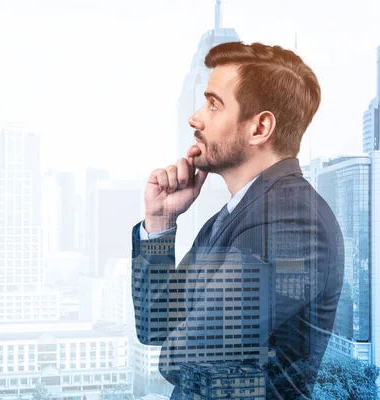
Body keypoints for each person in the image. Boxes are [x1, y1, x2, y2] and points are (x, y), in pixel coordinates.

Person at [131, 41, 345, 399]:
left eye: (215, 104)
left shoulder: (295, 222)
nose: (195, 117)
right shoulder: (228, 217)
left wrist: (182, 337)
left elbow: (186, 358)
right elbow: (155, 326)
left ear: (259, 128)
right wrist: (160, 222)